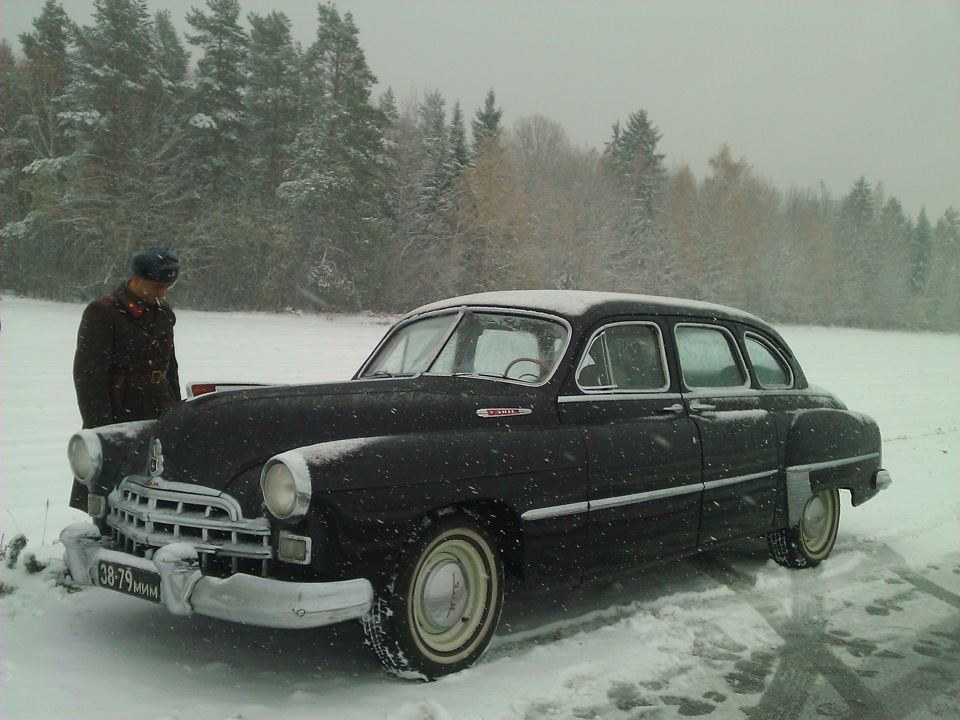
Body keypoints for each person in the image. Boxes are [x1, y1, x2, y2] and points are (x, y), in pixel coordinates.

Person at [70, 246, 182, 509]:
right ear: (137, 279)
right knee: (108, 486)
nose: (163, 292)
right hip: (119, 408)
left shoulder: (163, 313)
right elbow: (88, 376)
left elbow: (170, 367)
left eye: (167, 286)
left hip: (158, 406)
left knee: (155, 482)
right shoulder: (103, 312)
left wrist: (177, 411)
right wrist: (102, 429)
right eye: (156, 286)